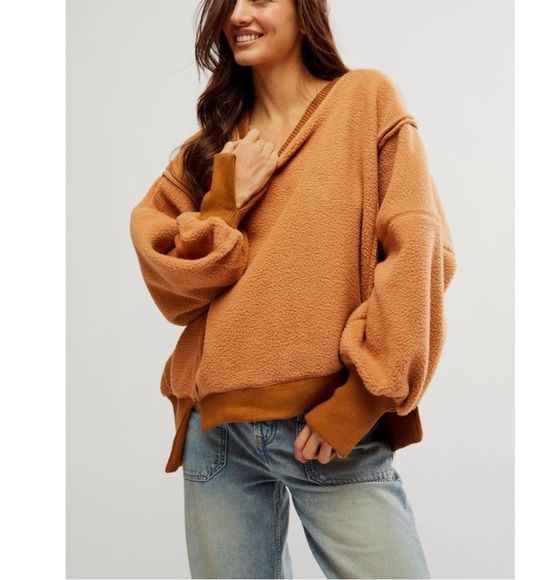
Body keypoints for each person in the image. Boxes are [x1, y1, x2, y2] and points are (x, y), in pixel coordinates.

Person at [130, 0, 456, 578]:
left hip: (329, 425)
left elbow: (420, 254)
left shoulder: (365, 101)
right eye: (229, 2)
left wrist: (358, 403)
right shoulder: (211, 150)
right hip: (218, 434)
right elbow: (172, 283)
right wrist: (226, 198)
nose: (238, 14)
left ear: (306, 10)